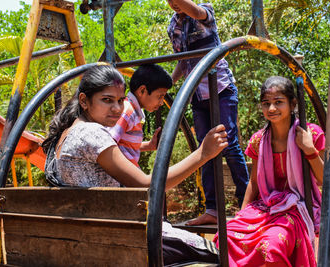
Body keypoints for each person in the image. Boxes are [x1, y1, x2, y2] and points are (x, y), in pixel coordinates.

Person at [42, 65, 227, 265]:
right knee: (219, 254)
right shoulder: (92, 134)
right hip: (117, 239)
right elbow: (148, 186)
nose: (117, 108)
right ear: (84, 101)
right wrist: (203, 153)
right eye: (107, 100)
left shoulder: (66, 134)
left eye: (120, 100)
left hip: (88, 235)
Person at [213, 76, 324, 266]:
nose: (271, 109)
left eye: (278, 102)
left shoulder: (310, 134)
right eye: (266, 103)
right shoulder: (259, 140)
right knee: (226, 235)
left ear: (293, 104)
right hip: (267, 205)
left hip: (299, 206)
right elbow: (254, 182)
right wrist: (241, 212)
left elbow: (325, 180)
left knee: (272, 245)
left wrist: (309, 150)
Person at [167, 0, 249, 225]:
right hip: (197, 95)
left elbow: (196, 11)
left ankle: (247, 202)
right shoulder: (172, 26)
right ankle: (212, 209)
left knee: (228, 144)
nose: (174, 3)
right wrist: (168, 83)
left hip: (220, 88)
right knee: (205, 149)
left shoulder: (204, 11)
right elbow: (182, 62)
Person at [108, 64, 172, 167]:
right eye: (160, 97)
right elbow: (107, 144)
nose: (161, 103)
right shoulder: (127, 111)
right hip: (120, 176)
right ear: (142, 91)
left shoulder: (134, 112)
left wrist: (149, 145)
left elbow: (124, 145)